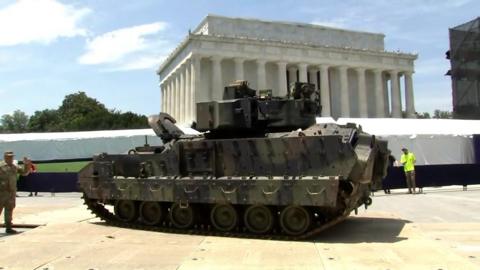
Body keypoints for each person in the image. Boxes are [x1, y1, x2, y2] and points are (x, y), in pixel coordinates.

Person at [0, 151, 31, 234]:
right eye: (9, 157)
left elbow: (25, 173)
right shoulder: (0, 166)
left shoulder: (15, 166)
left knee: (9, 210)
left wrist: (27, 165)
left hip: (11, 193)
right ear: (5, 157)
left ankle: (8, 227)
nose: (10, 158)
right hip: (1, 193)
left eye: (12, 157)